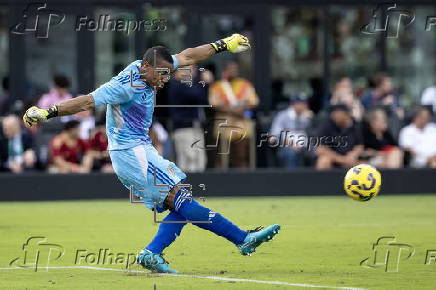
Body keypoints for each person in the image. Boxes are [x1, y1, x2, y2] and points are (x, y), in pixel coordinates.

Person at [22, 34, 280, 273]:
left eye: (168, 74)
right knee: (181, 199)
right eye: (160, 74)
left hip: (141, 149)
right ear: (145, 66)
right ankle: (242, 238)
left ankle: (152, 253)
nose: (164, 80)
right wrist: (48, 112)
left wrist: (223, 44)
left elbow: (189, 56)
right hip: (131, 153)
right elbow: (87, 101)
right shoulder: (123, 86)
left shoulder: (154, 68)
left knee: (181, 201)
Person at [209, 60, 259, 169]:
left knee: (241, 156)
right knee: (222, 157)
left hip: (242, 127)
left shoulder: (245, 85)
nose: (233, 71)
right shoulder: (217, 86)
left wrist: (242, 108)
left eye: (235, 69)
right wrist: (233, 111)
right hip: (223, 128)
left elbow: (254, 101)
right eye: (230, 69)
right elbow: (213, 103)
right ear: (225, 71)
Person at [168, 65, 211, 172]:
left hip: (194, 127)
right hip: (184, 128)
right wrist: (205, 83)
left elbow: (203, 100)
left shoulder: (187, 85)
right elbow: (197, 96)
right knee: (189, 159)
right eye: (190, 69)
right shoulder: (177, 85)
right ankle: (188, 187)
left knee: (199, 160)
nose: (193, 72)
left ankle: (197, 186)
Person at [316, 105, 364, 169]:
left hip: (350, 159)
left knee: (365, 165)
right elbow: (320, 148)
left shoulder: (356, 125)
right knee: (323, 161)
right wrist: (341, 159)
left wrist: (353, 155)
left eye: (338, 113)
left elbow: (359, 145)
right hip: (333, 158)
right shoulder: (326, 125)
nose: (335, 115)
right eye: (334, 113)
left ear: (346, 114)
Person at [270, 96, 312, 168]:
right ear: (293, 104)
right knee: (291, 153)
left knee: (315, 154)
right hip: (288, 146)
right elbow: (274, 136)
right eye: (300, 104)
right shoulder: (282, 116)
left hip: (305, 146)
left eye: (304, 104)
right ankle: (291, 178)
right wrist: (292, 145)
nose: (303, 106)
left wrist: (310, 120)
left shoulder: (307, 116)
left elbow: (312, 134)